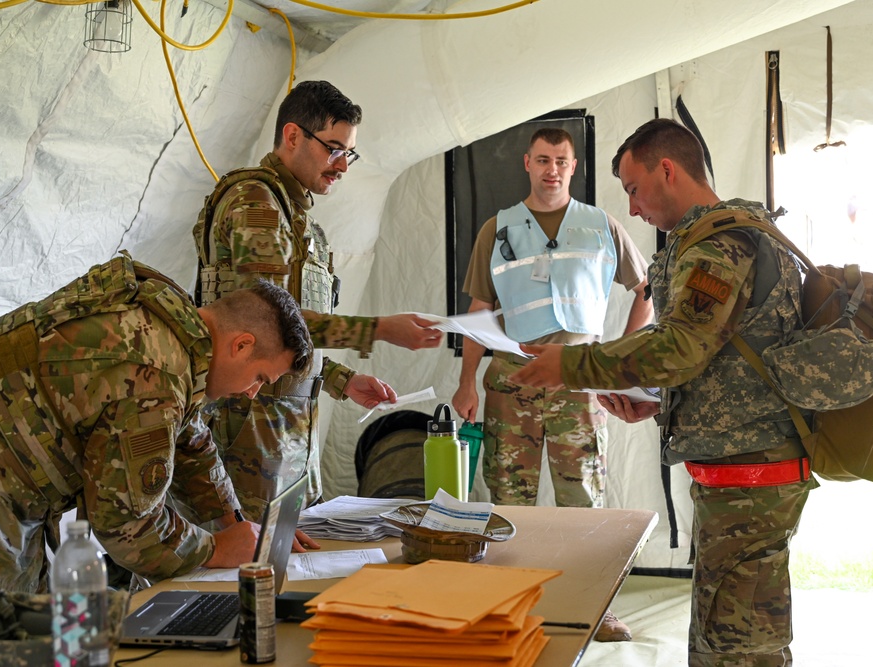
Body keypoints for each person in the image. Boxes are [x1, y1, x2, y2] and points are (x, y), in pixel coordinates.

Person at [0, 253, 314, 665]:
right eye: (260, 378)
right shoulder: (155, 371)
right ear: (242, 344)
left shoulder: (170, 328)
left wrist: (233, 521)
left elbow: (190, 439)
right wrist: (213, 549)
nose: (253, 392)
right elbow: (129, 527)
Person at [511, 118, 817, 665]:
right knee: (723, 637)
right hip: (738, 473)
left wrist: (575, 364)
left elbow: (680, 347)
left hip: (750, 476)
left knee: (738, 649)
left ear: (668, 170)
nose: (631, 208)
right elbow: (719, 359)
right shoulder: (716, 239)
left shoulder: (723, 245)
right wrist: (656, 400)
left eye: (633, 188)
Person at [193, 80, 442, 520]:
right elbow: (267, 324)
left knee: (292, 552)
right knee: (251, 564)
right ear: (293, 136)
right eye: (334, 149)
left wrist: (340, 379)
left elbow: (291, 339)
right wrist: (381, 328)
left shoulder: (300, 220)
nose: (342, 165)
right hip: (250, 427)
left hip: (286, 427)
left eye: (349, 152)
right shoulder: (257, 204)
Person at [453, 127, 650, 643]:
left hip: (579, 379)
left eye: (561, 160)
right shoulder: (497, 229)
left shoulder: (601, 225)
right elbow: (478, 313)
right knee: (508, 500)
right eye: (542, 160)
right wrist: (466, 383)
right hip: (510, 379)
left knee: (583, 499)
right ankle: (508, 607)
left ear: (574, 165)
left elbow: (645, 290)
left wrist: (619, 363)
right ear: (527, 163)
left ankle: (595, 609)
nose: (552, 170)